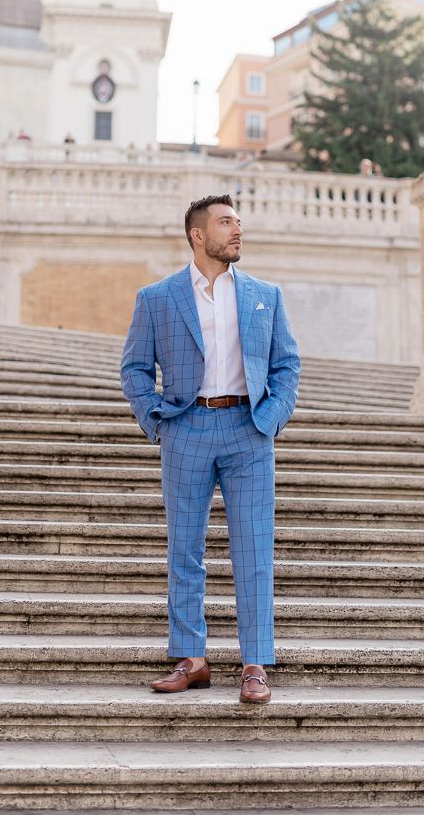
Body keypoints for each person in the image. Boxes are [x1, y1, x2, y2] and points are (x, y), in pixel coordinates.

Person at [121, 194, 300, 704]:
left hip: (249, 430)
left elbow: (288, 364)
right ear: (198, 235)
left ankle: (254, 664)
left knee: (254, 551)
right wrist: (157, 420)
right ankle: (191, 659)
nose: (237, 231)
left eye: (239, 222)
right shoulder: (157, 298)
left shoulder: (266, 295)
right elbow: (133, 368)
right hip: (187, 427)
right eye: (226, 223)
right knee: (185, 550)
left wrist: (270, 418)